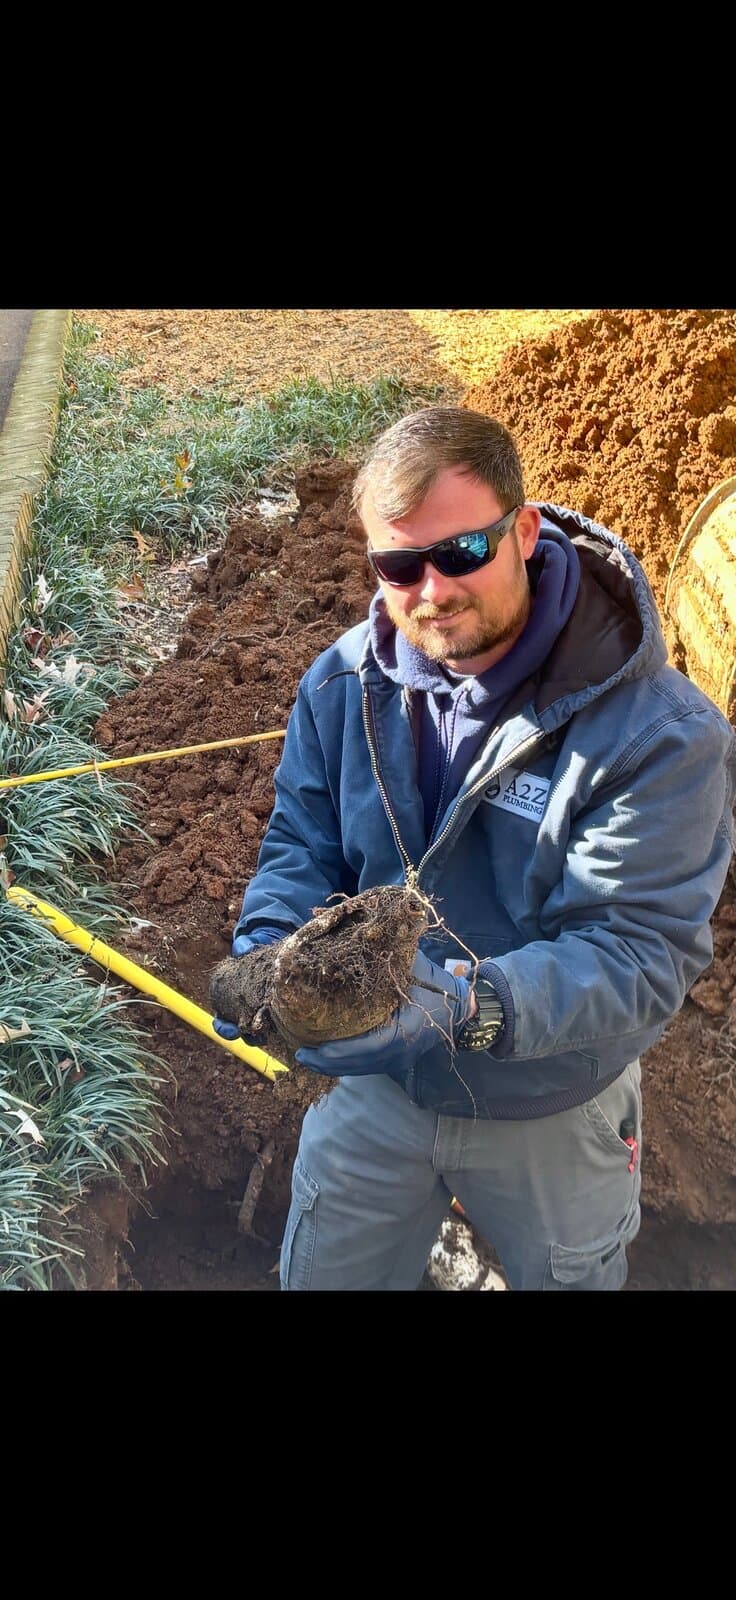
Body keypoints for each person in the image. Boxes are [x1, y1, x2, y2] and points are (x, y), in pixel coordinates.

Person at [214, 407, 736, 1291]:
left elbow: (640, 952)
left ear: (524, 531)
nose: (431, 590)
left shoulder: (660, 736)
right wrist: (269, 956)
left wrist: (471, 1006)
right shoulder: (344, 683)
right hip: (382, 1089)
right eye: (399, 565)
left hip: (553, 1106)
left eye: (462, 553)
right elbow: (301, 846)